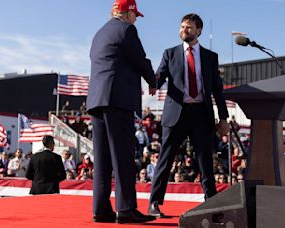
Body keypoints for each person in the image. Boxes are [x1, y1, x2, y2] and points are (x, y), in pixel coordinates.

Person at [148, 13, 229, 217]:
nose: (184, 30)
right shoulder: (170, 54)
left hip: (202, 114)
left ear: (199, 31)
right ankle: (154, 203)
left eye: (189, 27)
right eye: (182, 27)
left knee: (205, 162)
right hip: (177, 114)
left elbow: (217, 90)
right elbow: (160, 75)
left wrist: (223, 118)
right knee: (165, 159)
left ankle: (211, 204)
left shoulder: (211, 57)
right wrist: (152, 82)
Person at [86, 0, 157, 223]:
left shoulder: (99, 34)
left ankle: (101, 209)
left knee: (103, 159)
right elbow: (139, 58)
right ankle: (126, 209)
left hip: (97, 101)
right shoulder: (127, 29)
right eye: (135, 15)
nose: (136, 19)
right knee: (123, 156)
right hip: (117, 100)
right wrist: (152, 80)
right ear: (128, 13)